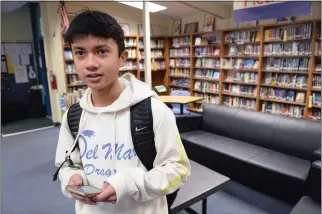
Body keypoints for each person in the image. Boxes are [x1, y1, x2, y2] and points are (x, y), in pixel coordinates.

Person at [54, 10, 191, 214]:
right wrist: (71, 179)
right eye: (80, 53)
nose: (90, 63)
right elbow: (66, 165)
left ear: (122, 58)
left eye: (101, 51)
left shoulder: (154, 111)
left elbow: (179, 170)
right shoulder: (74, 116)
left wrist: (130, 183)